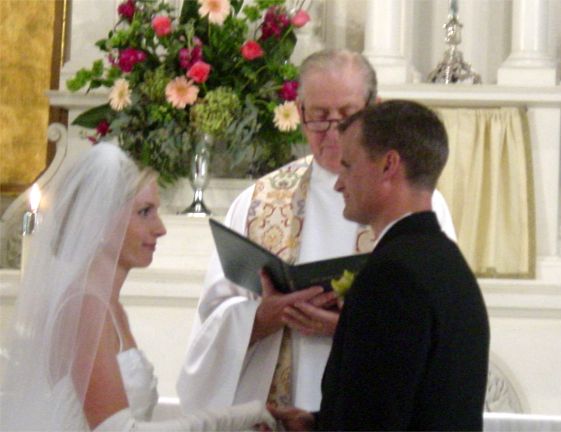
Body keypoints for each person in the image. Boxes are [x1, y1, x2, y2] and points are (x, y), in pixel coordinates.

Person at [177, 49, 458, 413]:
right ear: (300, 112)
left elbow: (439, 321)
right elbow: (213, 317)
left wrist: (348, 328)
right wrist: (261, 317)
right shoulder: (258, 202)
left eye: (348, 116)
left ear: (375, 110)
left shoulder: (414, 203)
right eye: (320, 118)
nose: (333, 133)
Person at [0, 143, 274, 431]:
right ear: (98, 221)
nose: (160, 228)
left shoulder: (108, 306)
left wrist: (250, 414)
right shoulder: (85, 306)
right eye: (144, 212)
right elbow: (119, 429)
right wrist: (242, 417)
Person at [270, 100, 490, 431]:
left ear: (388, 165)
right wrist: (316, 424)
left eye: (348, 166)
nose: (338, 183)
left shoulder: (392, 276)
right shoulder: (448, 262)